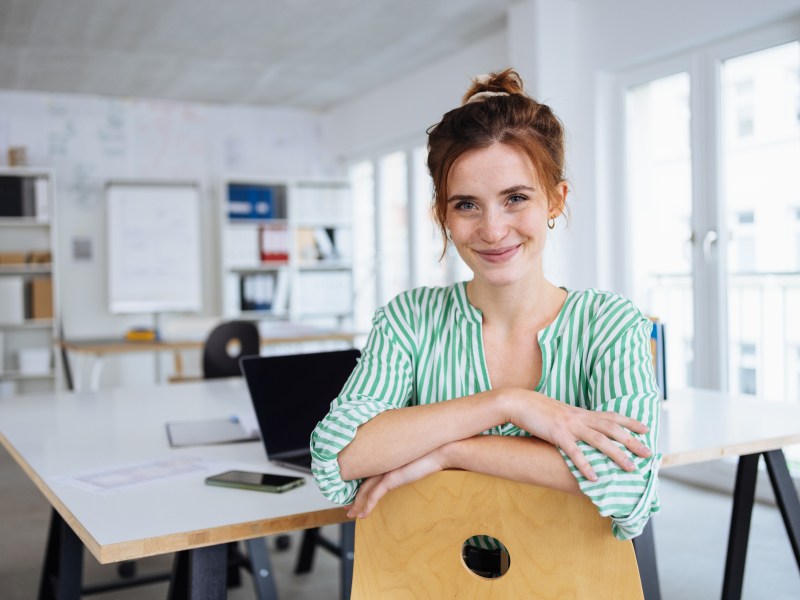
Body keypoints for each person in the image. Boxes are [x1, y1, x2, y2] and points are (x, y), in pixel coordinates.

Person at [310, 68, 660, 542]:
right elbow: (340, 456)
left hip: (567, 583)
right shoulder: (409, 319)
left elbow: (628, 479)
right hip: (429, 577)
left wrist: (451, 452)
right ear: (443, 214)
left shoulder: (610, 324)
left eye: (515, 198)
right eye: (467, 205)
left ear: (556, 201)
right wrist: (508, 404)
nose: (493, 231)